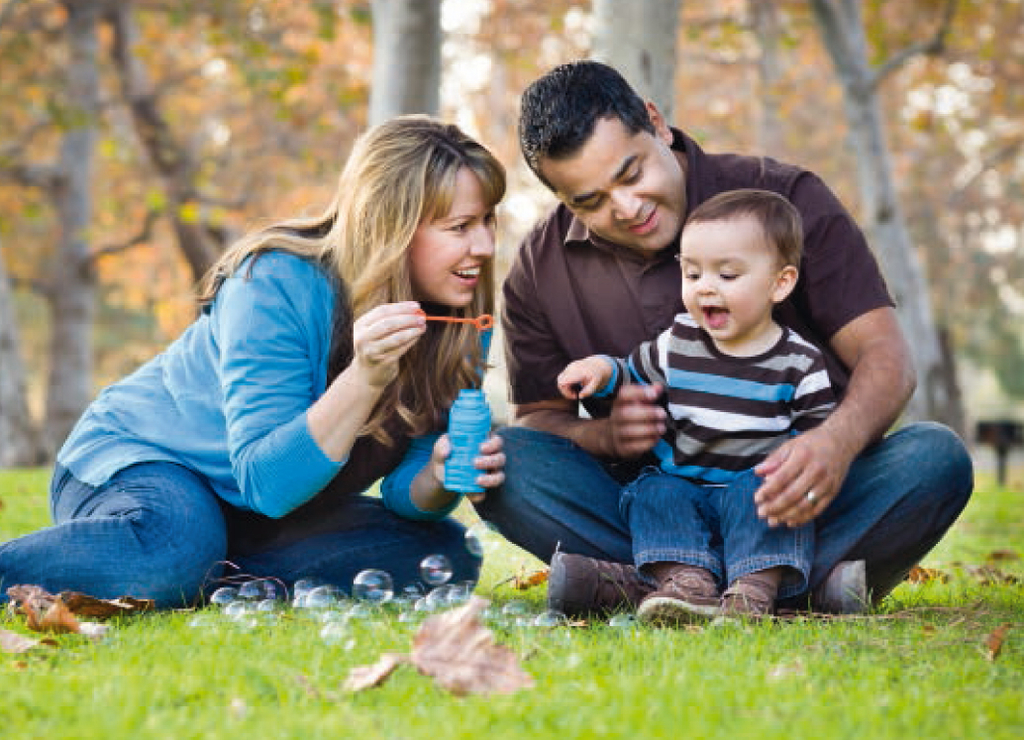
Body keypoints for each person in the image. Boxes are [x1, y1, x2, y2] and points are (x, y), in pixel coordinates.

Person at [475, 59, 973, 618]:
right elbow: (539, 419)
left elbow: (887, 357)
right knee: (502, 462)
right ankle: (784, 589)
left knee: (935, 459)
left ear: (656, 124)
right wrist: (608, 437)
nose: (627, 208)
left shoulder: (785, 199)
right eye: (589, 202)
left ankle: (649, 588)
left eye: (631, 173)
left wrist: (833, 445)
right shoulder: (539, 270)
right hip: (657, 507)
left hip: (794, 498)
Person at [0, 115, 508, 609]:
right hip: (142, 463)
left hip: (250, 513)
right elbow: (266, 482)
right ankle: (176, 561)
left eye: (488, 220)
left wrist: (439, 475)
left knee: (443, 549)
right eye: (460, 226)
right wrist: (365, 377)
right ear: (390, 225)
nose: (483, 246)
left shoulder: (458, 322)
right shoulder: (275, 281)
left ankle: (199, 568)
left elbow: (406, 490)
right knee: (176, 547)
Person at [556, 189, 836, 623]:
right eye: (691, 274)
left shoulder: (799, 362)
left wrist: (803, 479)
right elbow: (632, 372)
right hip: (685, 488)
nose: (705, 287)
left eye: (726, 275)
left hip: (753, 493)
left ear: (780, 283)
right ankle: (687, 582)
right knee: (653, 490)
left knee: (767, 494)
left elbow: (818, 442)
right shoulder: (678, 342)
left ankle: (753, 591)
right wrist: (601, 371)